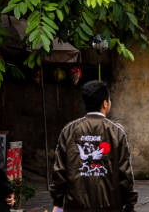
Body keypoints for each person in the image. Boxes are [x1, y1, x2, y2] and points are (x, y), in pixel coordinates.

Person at [50, 81, 137, 212]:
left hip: (75, 206)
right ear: (105, 103)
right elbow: (125, 174)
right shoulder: (117, 132)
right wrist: (129, 203)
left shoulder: (69, 131)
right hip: (110, 206)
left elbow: (59, 171)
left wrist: (58, 201)